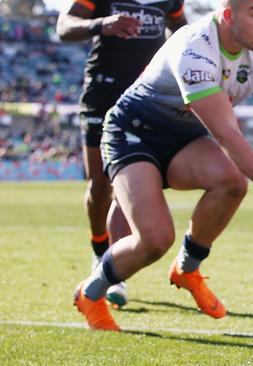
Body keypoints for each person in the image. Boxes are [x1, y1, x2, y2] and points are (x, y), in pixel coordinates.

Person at [72, 0, 253, 331]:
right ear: (228, 15)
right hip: (133, 133)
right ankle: (91, 292)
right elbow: (224, 131)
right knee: (155, 240)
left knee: (231, 183)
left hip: (184, 138)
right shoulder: (195, 46)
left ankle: (186, 270)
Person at [57, 0, 188, 307]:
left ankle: (114, 269)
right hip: (102, 93)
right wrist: (101, 24)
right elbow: (64, 27)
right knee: (100, 186)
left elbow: (182, 32)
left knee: (125, 187)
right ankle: (99, 250)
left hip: (145, 98)